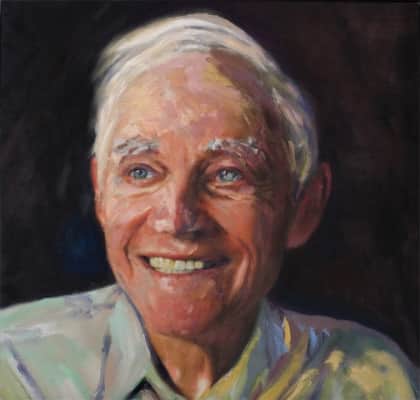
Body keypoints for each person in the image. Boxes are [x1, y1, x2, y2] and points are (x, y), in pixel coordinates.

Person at [0, 13, 417, 400]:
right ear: (101, 195)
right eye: (141, 171)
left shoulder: (368, 381)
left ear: (304, 207)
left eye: (228, 174)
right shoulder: (18, 369)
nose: (178, 219)